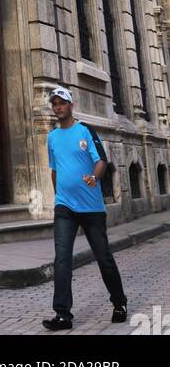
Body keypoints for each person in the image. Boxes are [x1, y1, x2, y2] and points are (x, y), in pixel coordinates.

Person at [42, 86, 127, 331]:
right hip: (64, 208)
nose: (58, 107)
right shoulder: (52, 137)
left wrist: (94, 177)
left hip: (91, 208)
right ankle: (62, 315)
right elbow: (54, 168)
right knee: (62, 259)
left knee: (103, 257)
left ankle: (119, 303)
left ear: (71, 105)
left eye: (62, 103)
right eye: (55, 103)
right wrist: (59, 195)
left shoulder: (85, 131)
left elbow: (101, 160)